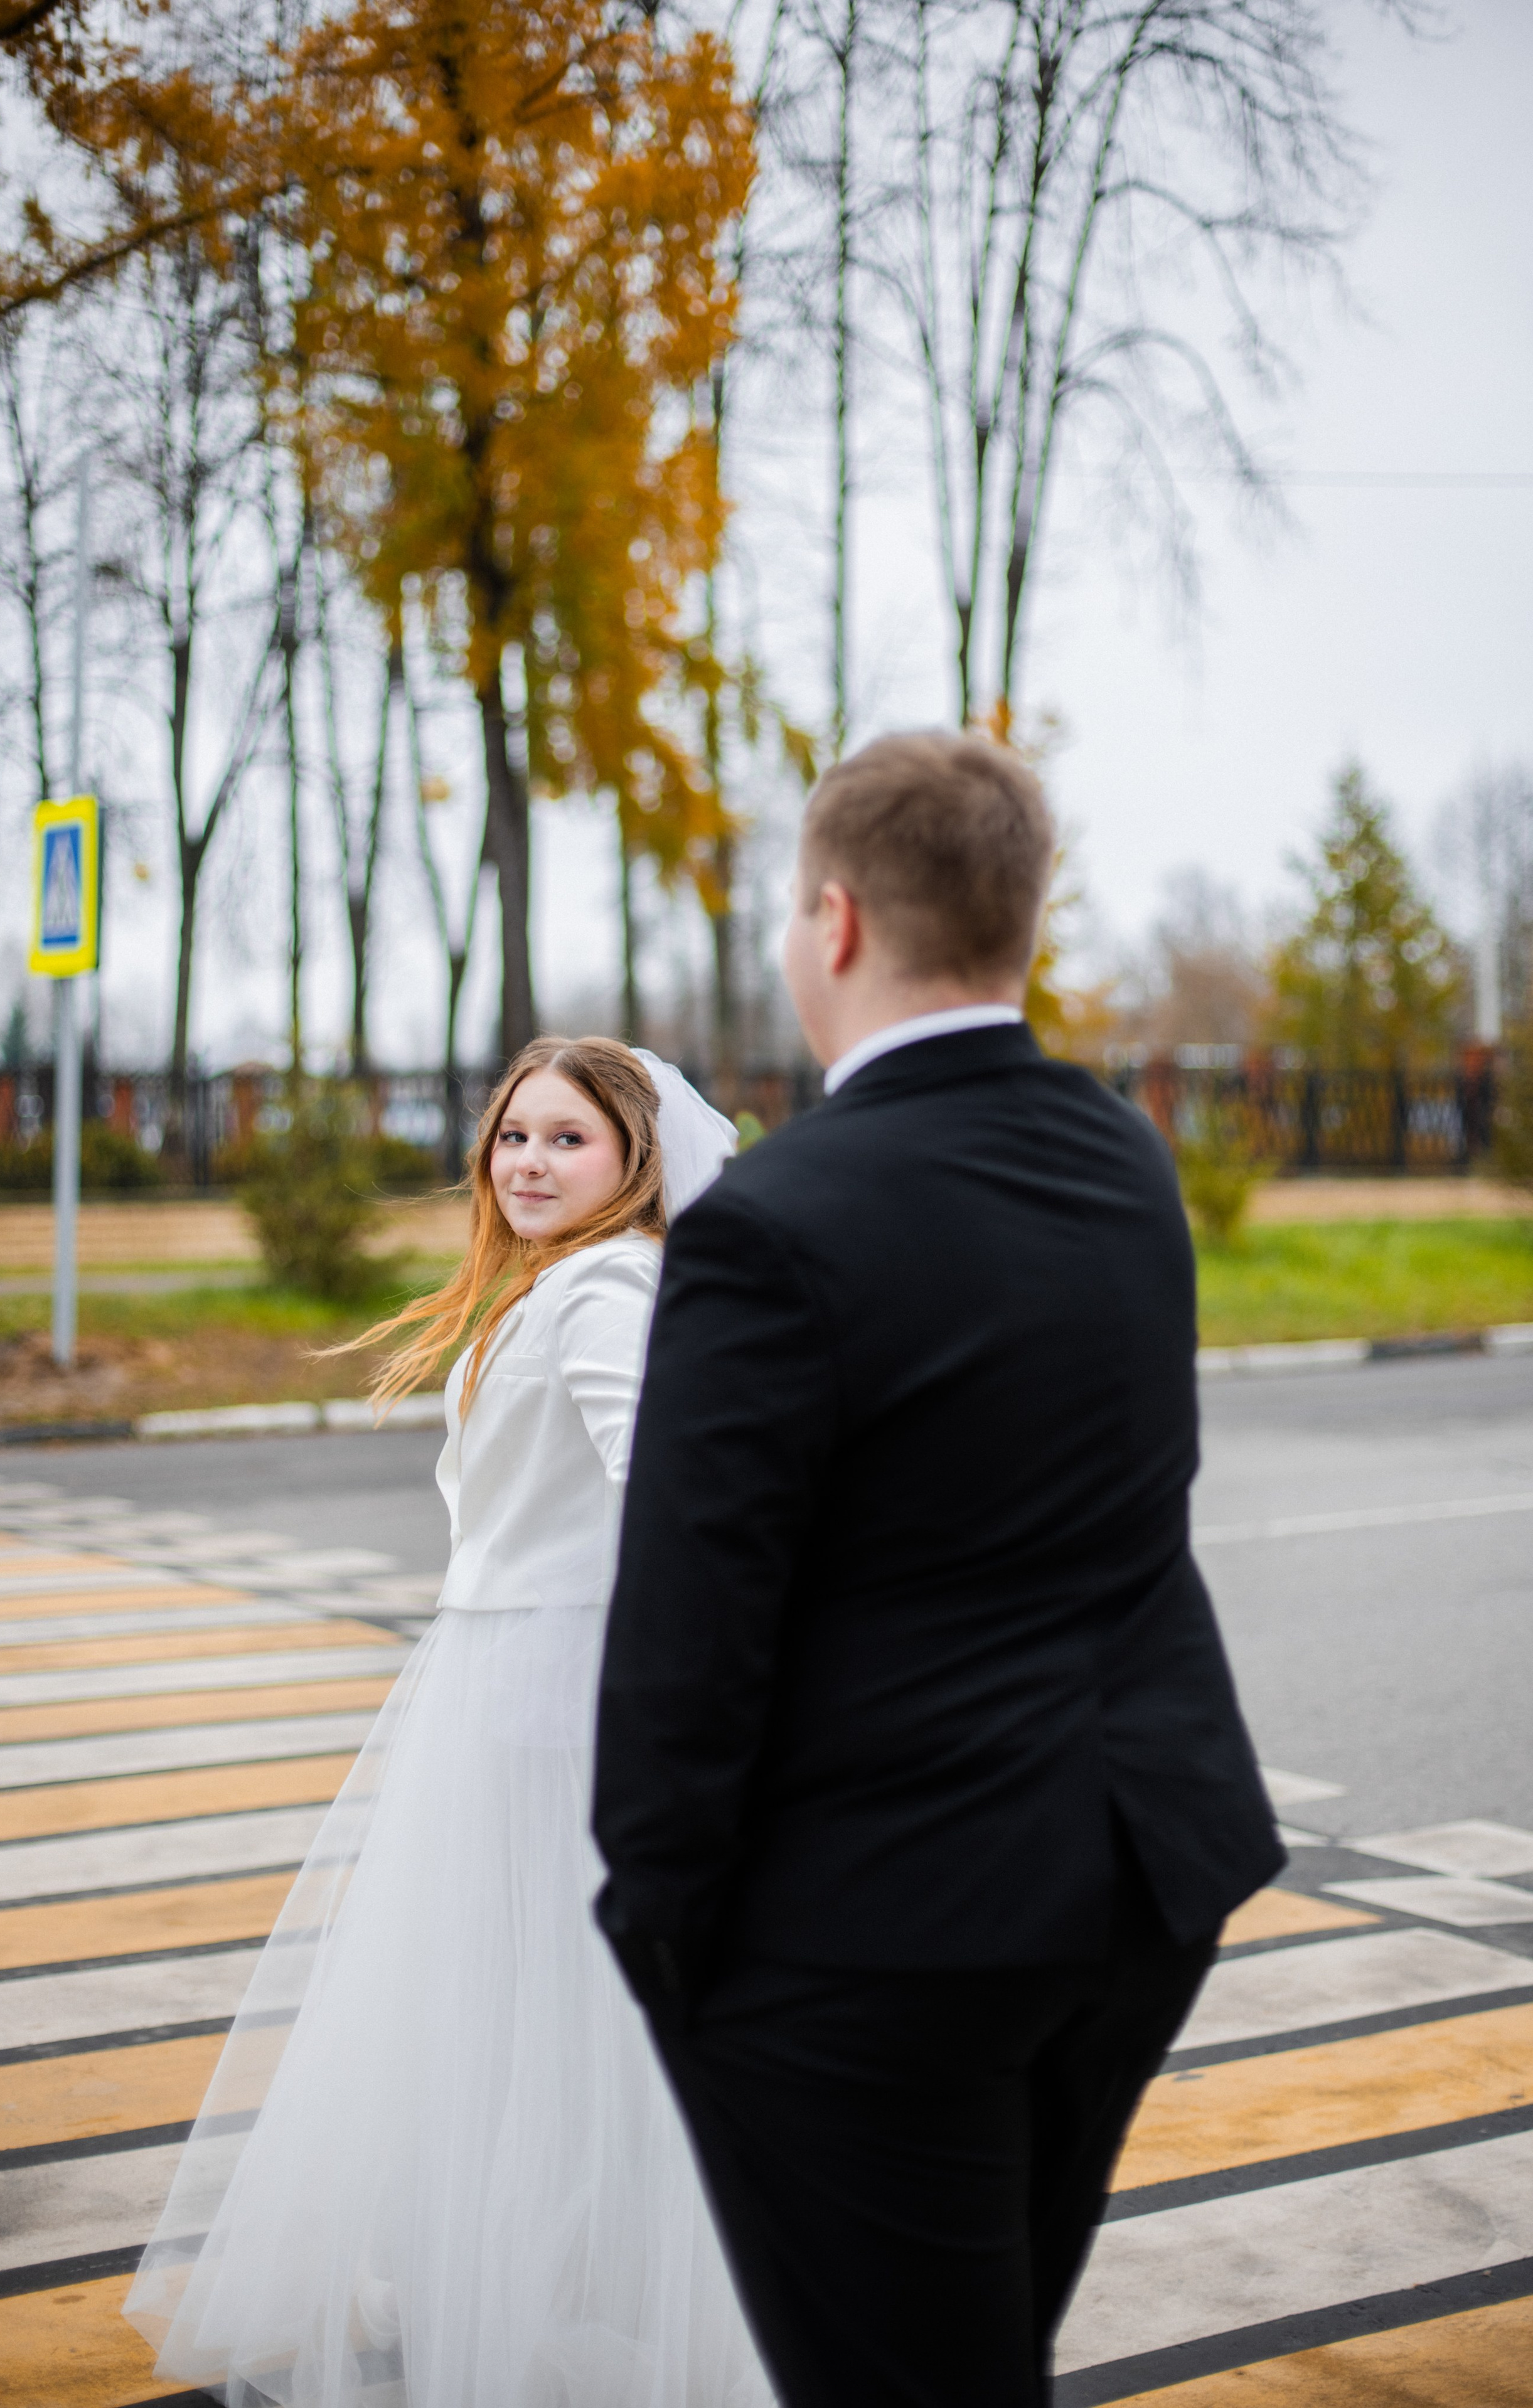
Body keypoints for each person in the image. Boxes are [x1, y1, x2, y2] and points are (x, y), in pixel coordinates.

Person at [592, 732, 1285, 2408]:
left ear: (833, 921)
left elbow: (692, 1637)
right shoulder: (1125, 1161)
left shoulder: (771, 1220)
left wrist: (661, 1930)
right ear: (1020, 928)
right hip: (1131, 1887)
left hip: (881, 1941)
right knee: (967, 2354)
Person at [126, 1037, 772, 2408]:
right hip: (510, 1678)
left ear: (636, 1160)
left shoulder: (605, 1284)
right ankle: (539, 2290)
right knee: (525, 2011)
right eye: (514, 1135)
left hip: (546, 1692)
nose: (529, 1162)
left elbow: (669, 1483)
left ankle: (565, 2306)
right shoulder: (561, 1281)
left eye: (568, 1140)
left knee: (545, 2009)